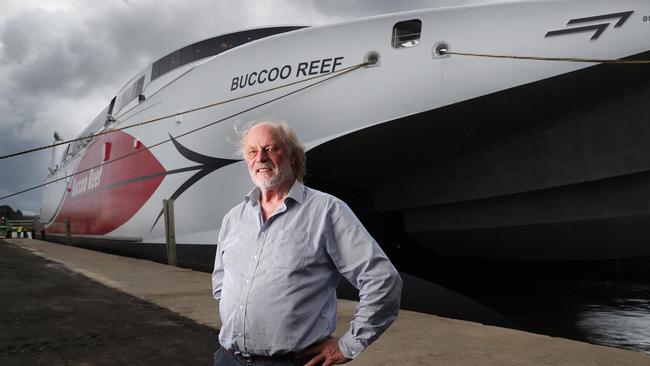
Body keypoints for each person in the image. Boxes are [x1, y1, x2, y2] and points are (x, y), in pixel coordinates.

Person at [212, 121, 402, 366]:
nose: (261, 158)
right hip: (228, 359)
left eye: (271, 149)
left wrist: (348, 346)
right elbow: (221, 283)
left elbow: (383, 280)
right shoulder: (234, 218)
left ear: (292, 157)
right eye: (252, 151)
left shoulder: (327, 211)